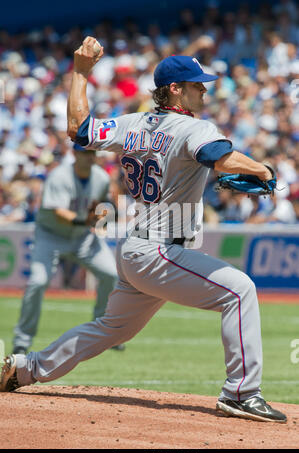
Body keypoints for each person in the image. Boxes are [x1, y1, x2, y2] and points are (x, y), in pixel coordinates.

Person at [0, 37, 286, 423]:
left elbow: (78, 129)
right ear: (175, 89)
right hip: (159, 252)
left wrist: (81, 74)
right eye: (197, 84)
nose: (204, 90)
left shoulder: (132, 123)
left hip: (136, 251)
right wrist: (262, 169)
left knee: (111, 328)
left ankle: (24, 368)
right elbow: (218, 158)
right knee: (240, 291)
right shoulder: (193, 128)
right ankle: (241, 393)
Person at [12, 143, 125, 355]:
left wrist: (105, 216)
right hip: (51, 235)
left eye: (92, 153)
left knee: (111, 274)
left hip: (82, 238)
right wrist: (88, 220)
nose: (89, 157)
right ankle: (22, 340)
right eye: (85, 153)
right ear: (74, 154)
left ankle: (104, 332)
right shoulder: (59, 176)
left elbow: (102, 207)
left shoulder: (100, 177)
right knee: (37, 282)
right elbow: (59, 213)